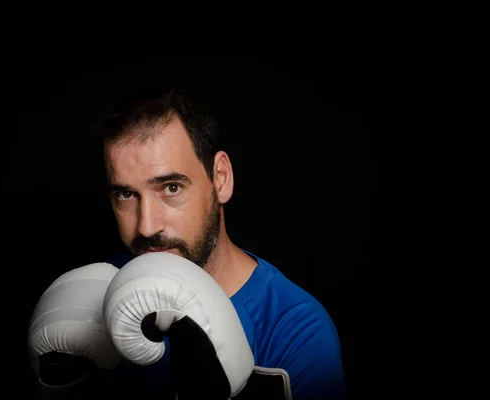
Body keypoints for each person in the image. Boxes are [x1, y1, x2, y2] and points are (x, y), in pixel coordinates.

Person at [98, 85, 347, 400]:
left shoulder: (295, 330)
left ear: (221, 178)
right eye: (126, 194)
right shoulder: (102, 291)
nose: (147, 226)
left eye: (171, 187)